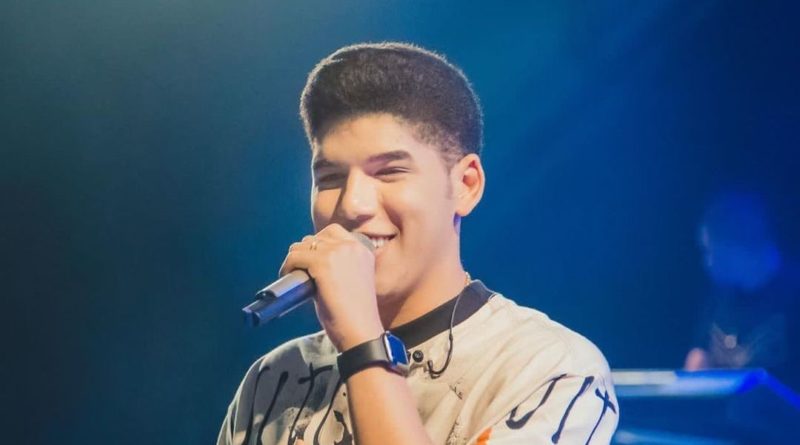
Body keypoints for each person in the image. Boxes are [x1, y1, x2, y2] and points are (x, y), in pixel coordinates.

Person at [218, 42, 618, 445]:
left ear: (466, 185)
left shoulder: (551, 370)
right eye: (330, 178)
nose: (353, 204)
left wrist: (363, 344)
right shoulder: (274, 381)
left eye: (389, 172)